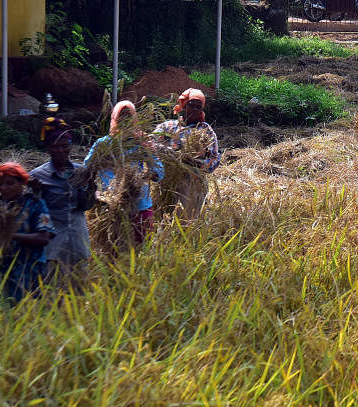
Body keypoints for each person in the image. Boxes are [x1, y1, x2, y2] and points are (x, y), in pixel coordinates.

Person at [0, 163, 55, 303]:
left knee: (28, 312)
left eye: (10, 183)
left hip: (30, 271)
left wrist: (10, 235)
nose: (4, 188)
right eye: (0, 184)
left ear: (22, 183)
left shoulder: (35, 205)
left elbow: (44, 237)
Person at [84, 100, 165, 244]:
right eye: (121, 116)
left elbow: (159, 173)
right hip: (109, 206)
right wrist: (95, 191)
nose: (125, 120)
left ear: (134, 119)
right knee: (111, 252)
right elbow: (85, 171)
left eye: (129, 116)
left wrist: (149, 157)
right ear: (115, 118)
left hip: (139, 206)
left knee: (140, 252)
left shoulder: (142, 143)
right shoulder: (104, 144)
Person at [30, 117, 91, 281]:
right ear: (48, 149)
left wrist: (91, 186)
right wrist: (36, 193)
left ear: (70, 146)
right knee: (52, 293)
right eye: (55, 147)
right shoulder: (37, 176)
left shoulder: (81, 172)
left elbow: (86, 206)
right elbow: (33, 210)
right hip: (53, 245)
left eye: (65, 146)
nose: (60, 151)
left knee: (79, 293)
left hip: (78, 240)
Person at [153, 88, 220, 217]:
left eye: (198, 107)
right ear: (184, 106)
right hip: (169, 181)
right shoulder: (168, 127)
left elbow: (215, 157)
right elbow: (150, 144)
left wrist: (199, 164)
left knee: (188, 221)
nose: (194, 109)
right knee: (165, 219)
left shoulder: (205, 130)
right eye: (191, 105)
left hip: (194, 184)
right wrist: (173, 154)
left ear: (201, 109)